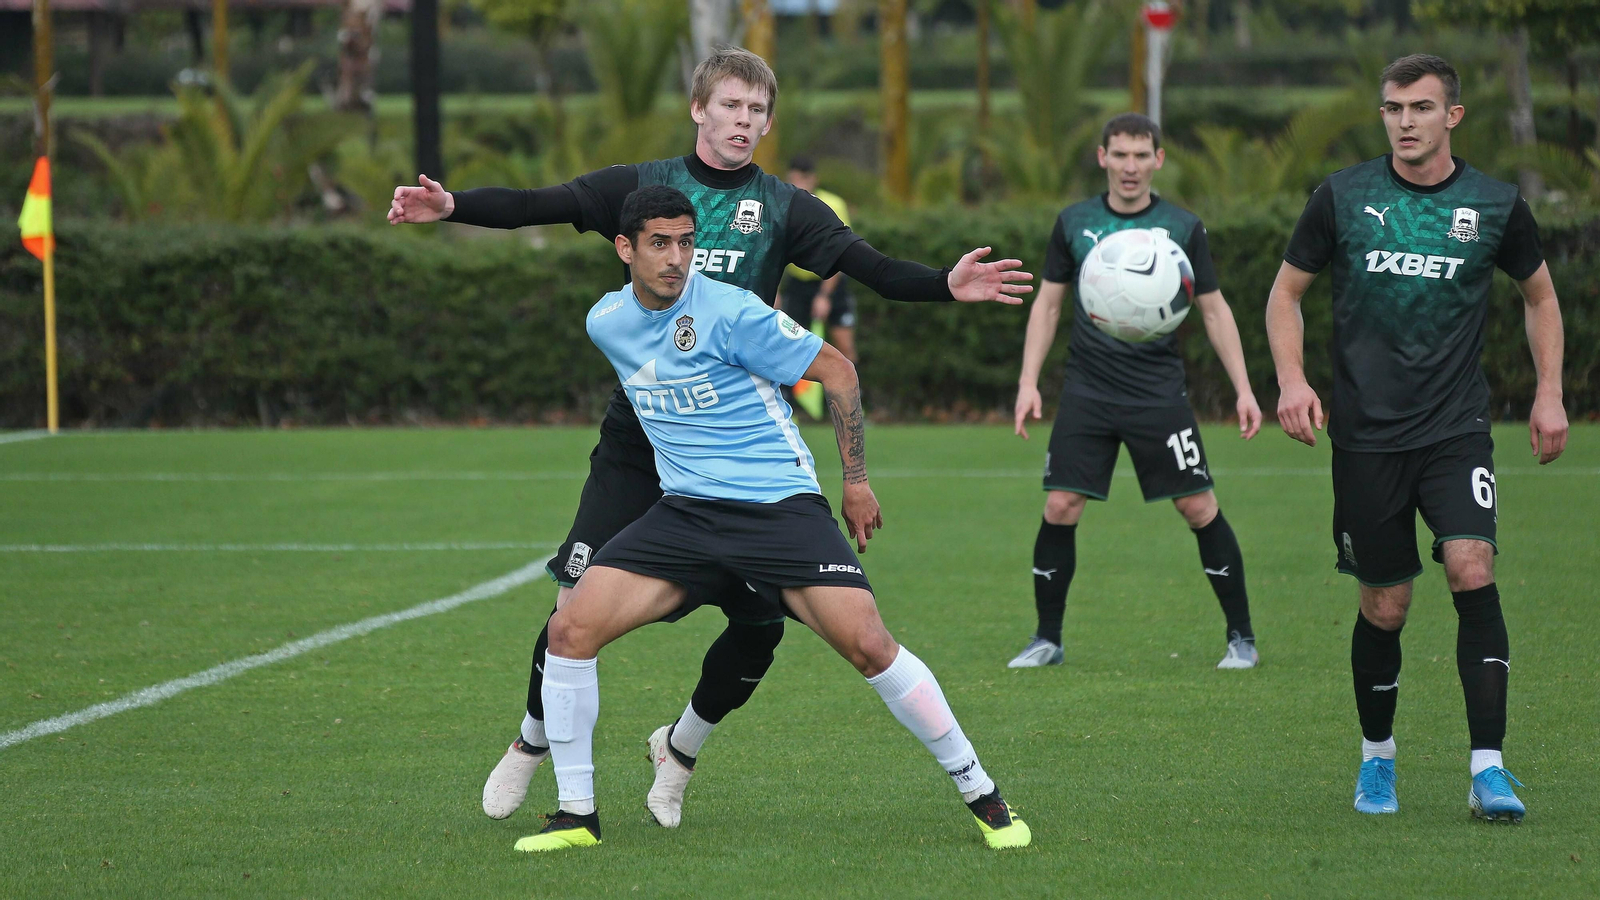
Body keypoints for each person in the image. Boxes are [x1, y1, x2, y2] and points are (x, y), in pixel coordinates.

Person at [387, 47, 1032, 829]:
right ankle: (532, 745)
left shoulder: (785, 207)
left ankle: (680, 751)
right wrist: (453, 206)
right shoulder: (642, 188)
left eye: (758, 112)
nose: (745, 123)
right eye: (731, 106)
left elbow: (871, 268)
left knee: (761, 624)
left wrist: (944, 283)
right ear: (699, 109)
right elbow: (540, 203)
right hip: (644, 440)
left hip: (739, 449)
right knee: (573, 609)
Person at [514, 184, 1032, 853]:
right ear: (625, 248)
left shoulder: (733, 312)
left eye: (687, 242)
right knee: (569, 628)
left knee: (869, 645)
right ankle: (576, 816)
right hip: (686, 515)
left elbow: (839, 372)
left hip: (777, 508)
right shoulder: (605, 322)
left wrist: (855, 482)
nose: (677, 258)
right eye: (660, 244)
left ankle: (983, 794)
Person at [1265, 54, 1567, 821]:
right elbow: (1285, 294)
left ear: (1452, 116)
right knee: (1386, 608)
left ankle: (1489, 770)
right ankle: (1377, 761)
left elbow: (1540, 297)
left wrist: (1550, 395)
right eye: (1394, 108)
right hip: (1366, 439)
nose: (1406, 121)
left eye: (1422, 108)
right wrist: (1293, 381)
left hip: (1455, 430)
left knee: (1472, 568)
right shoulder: (1343, 196)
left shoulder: (1495, 206)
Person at [1012, 113, 1263, 672]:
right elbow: (1049, 303)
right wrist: (1029, 382)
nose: (1130, 166)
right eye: (1119, 155)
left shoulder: (1182, 225)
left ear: (1158, 159)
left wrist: (1244, 388)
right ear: (1102, 156)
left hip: (1157, 392)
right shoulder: (1074, 222)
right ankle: (1046, 639)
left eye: (1140, 155)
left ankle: (1241, 638)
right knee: (1060, 504)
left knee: (1198, 506)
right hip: (1088, 389)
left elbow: (1215, 310)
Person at [779, 156, 858, 362]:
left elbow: (841, 253)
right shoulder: (782, 203)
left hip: (830, 283)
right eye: (793, 178)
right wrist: (775, 291)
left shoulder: (833, 203)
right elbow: (775, 250)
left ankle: (851, 392)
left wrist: (824, 295)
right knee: (791, 348)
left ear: (814, 179)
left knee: (844, 346)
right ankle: (791, 395)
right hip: (798, 286)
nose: (798, 184)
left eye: (803, 178)